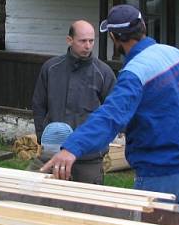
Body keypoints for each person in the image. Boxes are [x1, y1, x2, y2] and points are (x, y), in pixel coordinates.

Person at [41, 5, 179, 205]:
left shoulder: (135, 72)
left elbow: (110, 116)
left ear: (113, 37)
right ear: (143, 26)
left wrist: (71, 148)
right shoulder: (175, 54)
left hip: (161, 172)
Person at [32, 20, 116, 184]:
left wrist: (100, 145)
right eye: (82, 41)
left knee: (86, 207)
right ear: (69, 40)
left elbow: (114, 114)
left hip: (88, 158)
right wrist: (43, 137)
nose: (88, 46)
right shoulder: (51, 68)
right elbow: (38, 105)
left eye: (91, 41)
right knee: (33, 197)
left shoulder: (103, 73)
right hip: (52, 152)